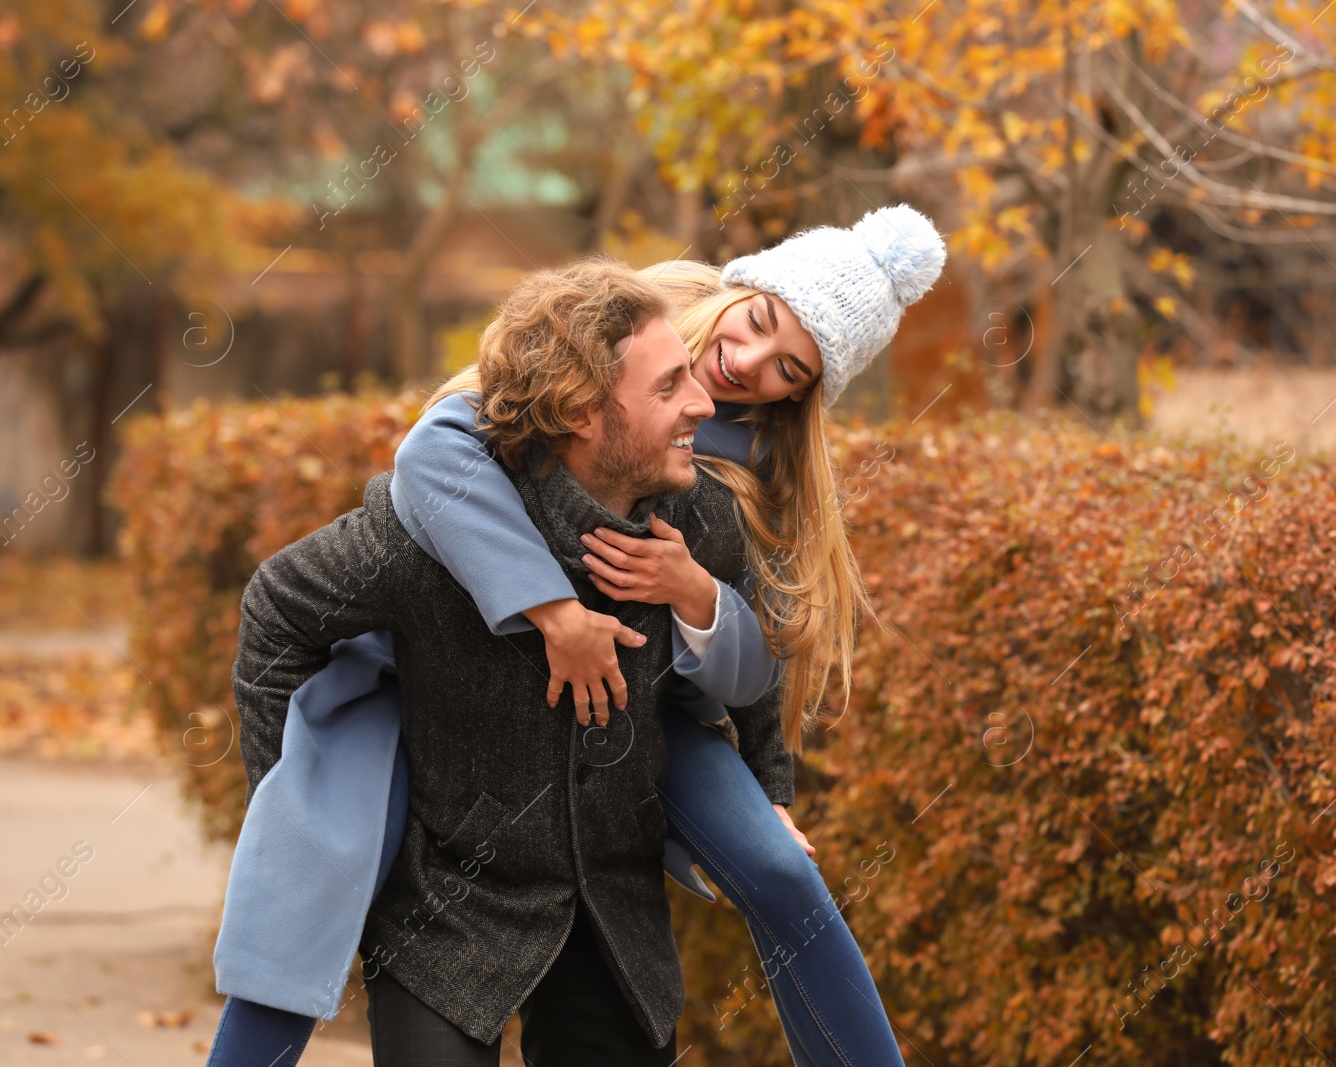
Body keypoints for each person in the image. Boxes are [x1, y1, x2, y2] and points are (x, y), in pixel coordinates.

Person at [209, 205, 946, 1067]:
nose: (743, 369)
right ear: (739, 288)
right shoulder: (615, 333)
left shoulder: (741, 481)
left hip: (641, 728)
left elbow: (764, 645)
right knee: (314, 865)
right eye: (757, 325)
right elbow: (434, 451)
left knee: (783, 872)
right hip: (452, 700)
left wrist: (709, 629)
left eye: (789, 370)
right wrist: (551, 609)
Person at [231, 259, 774, 1065]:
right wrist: (312, 824)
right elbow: (276, 610)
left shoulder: (701, 522)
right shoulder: (428, 536)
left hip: (616, 920)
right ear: (584, 411)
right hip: (442, 913)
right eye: (669, 388)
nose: (703, 402)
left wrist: (775, 797)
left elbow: (759, 679)